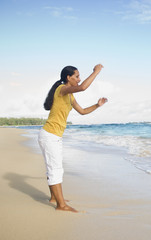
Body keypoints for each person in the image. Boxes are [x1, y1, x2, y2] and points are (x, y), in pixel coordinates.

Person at [38, 64, 107, 212]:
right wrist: (96, 72)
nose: (79, 79)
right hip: (50, 135)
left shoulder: (69, 95)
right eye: (76, 76)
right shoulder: (62, 89)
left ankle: (54, 197)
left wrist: (97, 105)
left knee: (54, 169)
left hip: (52, 136)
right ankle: (61, 205)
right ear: (68, 78)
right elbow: (82, 87)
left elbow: (82, 111)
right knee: (55, 169)